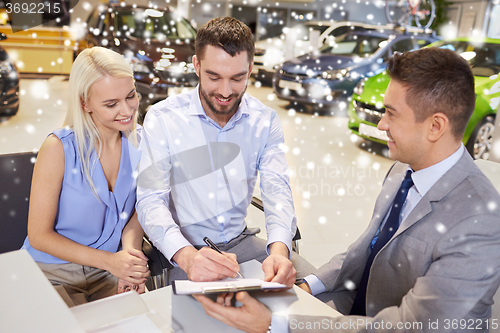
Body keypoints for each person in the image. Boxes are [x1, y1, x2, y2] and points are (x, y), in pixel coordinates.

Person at [194, 47, 500, 332]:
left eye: (391, 113)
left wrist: (279, 323)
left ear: (436, 126)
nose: (381, 124)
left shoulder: (480, 220)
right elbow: (365, 249)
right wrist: (306, 287)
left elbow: (410, 325)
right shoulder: (402, 171)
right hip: (359, 306)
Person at [136, 17, 315, 286]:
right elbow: (150, 201)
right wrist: (187, 257)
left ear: (250, 68)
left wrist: (279, 251)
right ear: (197, 65)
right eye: (214, 76)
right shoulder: (163, 118)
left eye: (237, 78)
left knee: (321, 291)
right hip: (187, 251)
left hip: (243, 244)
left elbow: (277, 191)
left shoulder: (264, 121)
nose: (225, 91)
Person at [22, 47, 150, 307]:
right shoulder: (59, 148)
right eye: (111, 104)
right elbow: (39, 236)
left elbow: (139, 209)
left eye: (130, 96)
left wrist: (130, 257)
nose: (126, 110)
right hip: (51, 273)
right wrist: (111, 262)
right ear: (84, 103)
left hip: (108, 270)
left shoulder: (144, 141)